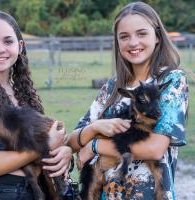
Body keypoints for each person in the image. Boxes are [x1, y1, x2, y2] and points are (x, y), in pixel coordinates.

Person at [68, 2, 188, 200]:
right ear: (117, 42)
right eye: (124, 36)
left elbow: (154, 149)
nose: (133, 42)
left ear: (157, 36)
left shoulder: (170, 82)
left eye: (141, 33)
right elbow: (73, 141)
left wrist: (95, 146)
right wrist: (96, 127)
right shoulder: (112, 87)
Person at [0, 11, 72, 199]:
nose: (0, 49)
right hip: (6, 193)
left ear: (20, 46)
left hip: (35, 190)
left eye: (8, 41)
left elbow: (44, 140)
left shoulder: (21, 91)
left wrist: (65, 152)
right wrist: (43, 146)